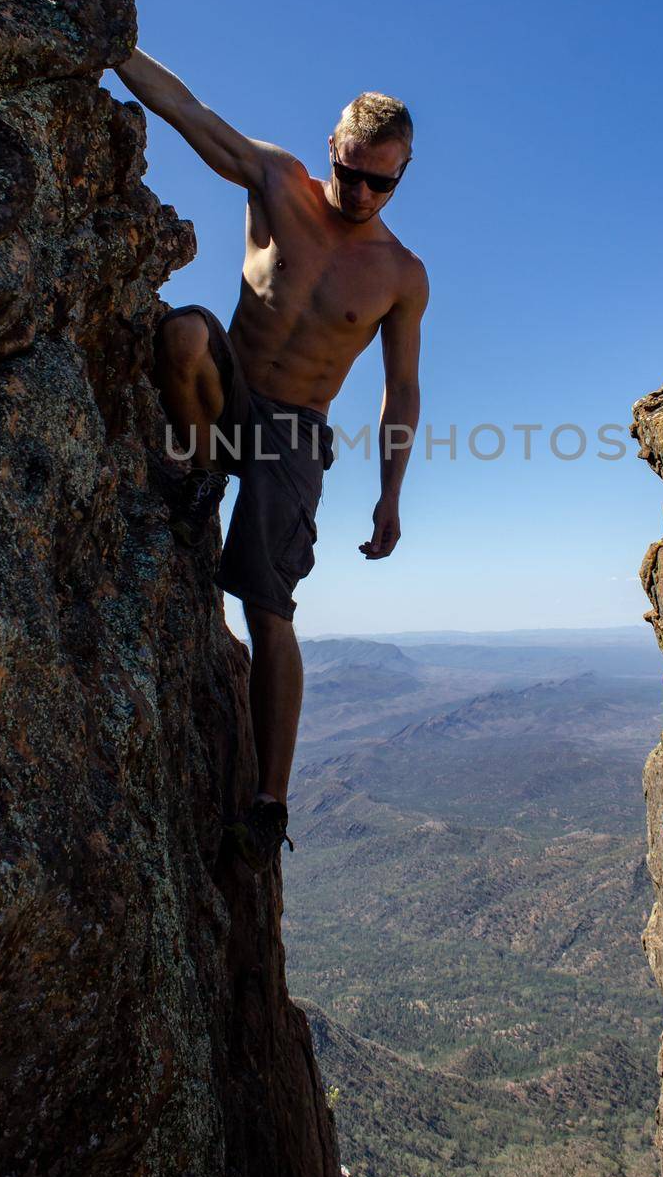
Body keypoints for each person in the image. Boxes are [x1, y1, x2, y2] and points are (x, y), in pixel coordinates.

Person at [113, 48, 429, 871]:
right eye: (348, 173)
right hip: (230, 394)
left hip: (296, 432)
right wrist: (108, 34)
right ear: (330, 147)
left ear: (402, 175)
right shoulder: (278, 184)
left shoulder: (399, 274)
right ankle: (191, 476)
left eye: (379, 183)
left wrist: (390, 495)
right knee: (182, 333)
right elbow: (191, 113)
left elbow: (401, 389)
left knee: (269, 609)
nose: (358, 194)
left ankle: (268, 802)